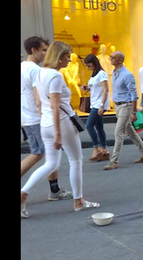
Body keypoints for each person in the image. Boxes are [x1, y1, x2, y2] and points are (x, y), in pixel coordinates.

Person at [21, 41, 100, 217]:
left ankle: (23, 193)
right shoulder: (55, 76)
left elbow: (39, 102)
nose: (69, 60)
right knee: (75, 160)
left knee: (51, 163)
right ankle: (78, 201)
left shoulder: (40, 72)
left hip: (45, 123)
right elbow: (56, 106)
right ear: (58, 56)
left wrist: (46, 119)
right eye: (67, 56)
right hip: (61, 123)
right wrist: (58, 133)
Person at [21, 36, 73, 205]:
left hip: (28, 117)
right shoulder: (36, 70)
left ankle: (54, 189)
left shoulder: (22, 67)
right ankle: (51, 190)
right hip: (38, 118)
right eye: (43, 50)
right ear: (33, 50)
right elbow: (39, 99)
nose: (46, 53)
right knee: (40, 155)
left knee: (48, 157)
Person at [103, 51, 143, 170]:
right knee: (130, 131)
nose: (110, 59)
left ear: (120, 60)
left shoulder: (126, 75)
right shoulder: (114, 73)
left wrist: (133, 111)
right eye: (110, 57)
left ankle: (114, 161)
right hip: (118, 105)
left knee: (118, 132)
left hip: (126, 106)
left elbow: (133, 94)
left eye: (113, 57)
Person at [82, 54, 110, 162]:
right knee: (99, 127)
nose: (88, 67)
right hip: (94, 103)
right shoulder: (94, 75)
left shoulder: (102, 74)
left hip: (99, 104)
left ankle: (96, 148)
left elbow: (105, 90)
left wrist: (102, 106)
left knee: (89, 125)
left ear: (94, 63)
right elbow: (94, 88)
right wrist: (87, 88)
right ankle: (104, 149)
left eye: (89, 65)